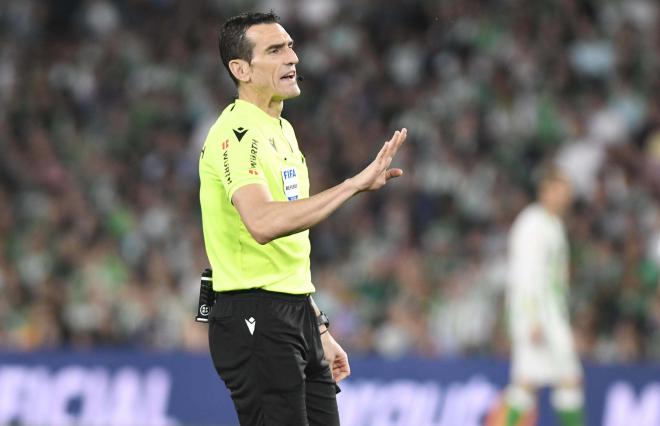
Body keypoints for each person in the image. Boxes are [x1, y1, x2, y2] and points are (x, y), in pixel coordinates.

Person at [198, 11, 407, 425]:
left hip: (295, 314)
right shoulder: (237, 134)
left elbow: (286, 251)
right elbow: (261, 222)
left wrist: (319, 327)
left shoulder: (282, 131)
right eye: (275, 50)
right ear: (240, 69)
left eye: (291, 46)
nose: (292, 57)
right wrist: (351, 186)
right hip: (252, 315)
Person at [502, 165, 585, 426]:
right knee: (567, 379)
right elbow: (525, 275)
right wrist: (532, 319)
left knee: (527, 384)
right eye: (560, 191)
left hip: (550, 311)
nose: (565, 197)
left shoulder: (554, 224)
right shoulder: (532, 223)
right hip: (538, 314)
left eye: (568, 192)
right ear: (545, 191)